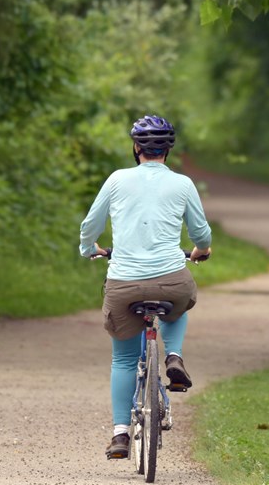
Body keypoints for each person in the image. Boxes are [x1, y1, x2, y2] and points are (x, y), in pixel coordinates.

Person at [79, 114, 212, 459]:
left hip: (123, 283)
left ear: (136, 147)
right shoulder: (183, 185)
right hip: (171, 279)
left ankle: (121, 433)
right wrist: (201, 251)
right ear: (169, 150)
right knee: (180, 302)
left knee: (123, 360)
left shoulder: (117, 179)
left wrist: (88, 248)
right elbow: (202, 234)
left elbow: (90, 224)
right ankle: (173, 355)